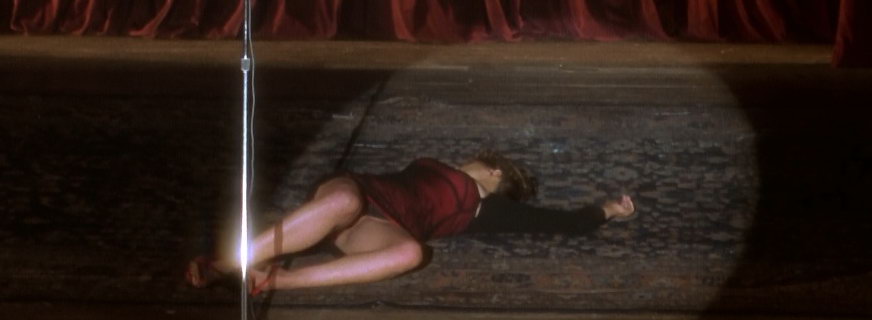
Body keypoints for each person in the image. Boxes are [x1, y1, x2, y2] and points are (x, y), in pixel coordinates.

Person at [186, 151, 636, 293]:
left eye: (484, 161)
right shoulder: (437, 165)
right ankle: (228, 262)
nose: (474, 160)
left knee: (411, 252)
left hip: (379, 226)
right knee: (343, 200)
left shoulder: (483, 206)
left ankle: (275, 280)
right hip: (357, 192)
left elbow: (554, 223)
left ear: (495, 172)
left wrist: (607, 211)